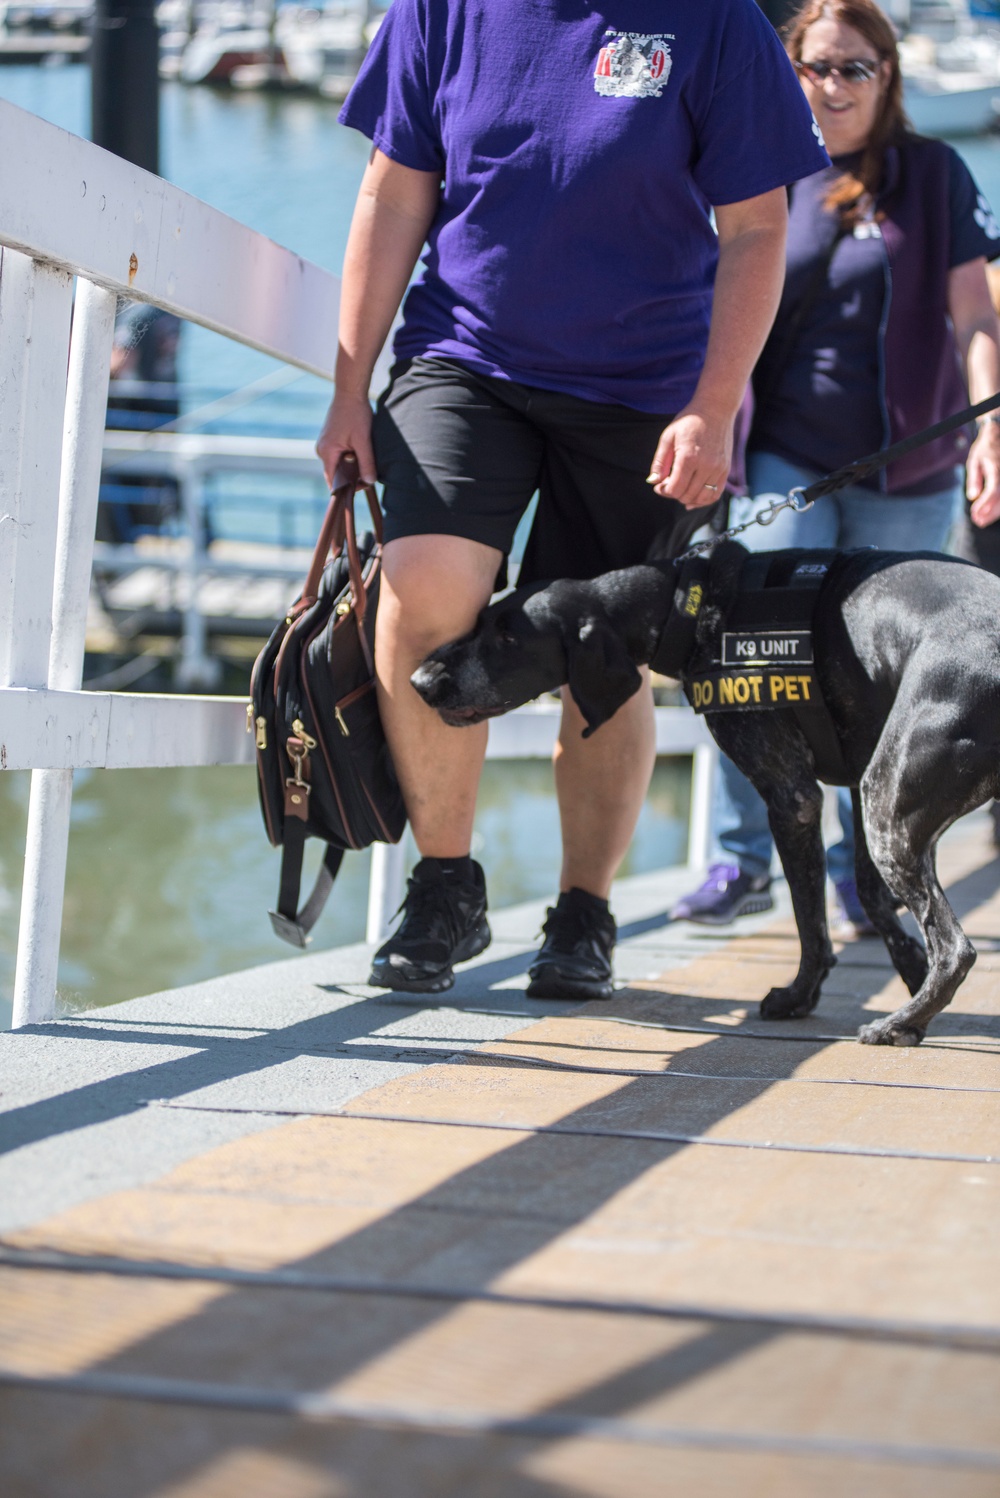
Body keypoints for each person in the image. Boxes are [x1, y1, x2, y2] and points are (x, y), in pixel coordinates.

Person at [316, 0, 829, 999]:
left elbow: (757, 229)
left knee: (603, 645)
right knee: (421, 588)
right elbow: (392, 193)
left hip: (645, 386)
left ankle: (584, 911)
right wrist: (347, 389)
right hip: (465, 355)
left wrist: (713, 407)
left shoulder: (715, 23)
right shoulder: (442, 9)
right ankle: (445, 883)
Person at [672, 0, 1000, 934]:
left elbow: (975, 317)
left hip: (913, 464)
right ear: (790, 72)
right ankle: (743, 861)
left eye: (856, 68)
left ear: (888, 77)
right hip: (789, 456)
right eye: (816, 67)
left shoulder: (932, 175)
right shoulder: (764, 175)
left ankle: (870, 870)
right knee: (752, 646)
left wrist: (991, 429)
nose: (834, 86)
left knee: (882, 676)